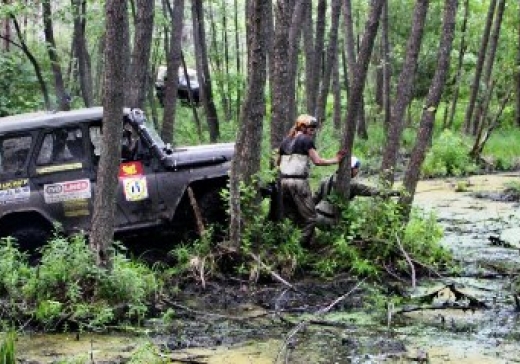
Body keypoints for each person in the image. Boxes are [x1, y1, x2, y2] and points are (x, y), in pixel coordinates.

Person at [277, 114, 346, 246]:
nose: (312, 132)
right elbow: (318, 161)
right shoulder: (306, 140)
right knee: (311, 217)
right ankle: (300, 246)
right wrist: (336, 159)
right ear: (302, 127)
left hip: (283, 182)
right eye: (311, 128)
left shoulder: (285, 141)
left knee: (291, 216)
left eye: (314, 129)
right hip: (298, 183)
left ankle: (287, 245)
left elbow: (278, 163)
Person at [314, 156, 400, 226]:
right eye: (357, 168)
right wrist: (396, 192)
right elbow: (373, 191)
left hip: (316, 218)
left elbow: (314, 200)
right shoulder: (352, 185)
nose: (358, 171)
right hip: (331, 221)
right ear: (351, 168)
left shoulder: (325, 180)